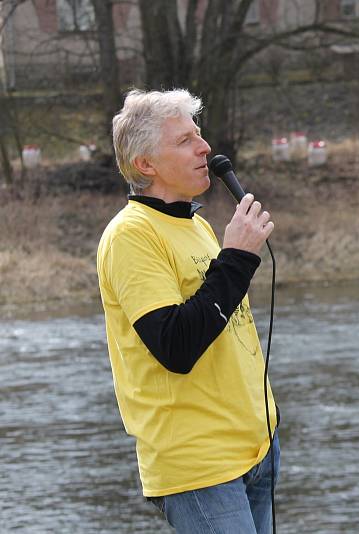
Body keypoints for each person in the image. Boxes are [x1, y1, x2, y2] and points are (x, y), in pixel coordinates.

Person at [96, 88, 280, 533]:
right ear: (146, 164)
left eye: (199, 135)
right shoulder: (131, 236)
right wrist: (236, 259)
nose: (205, 148)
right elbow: (176, 347)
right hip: (199, 464)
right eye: (184, 141)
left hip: (255, 449)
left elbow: (223, 324)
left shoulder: (195, 224)